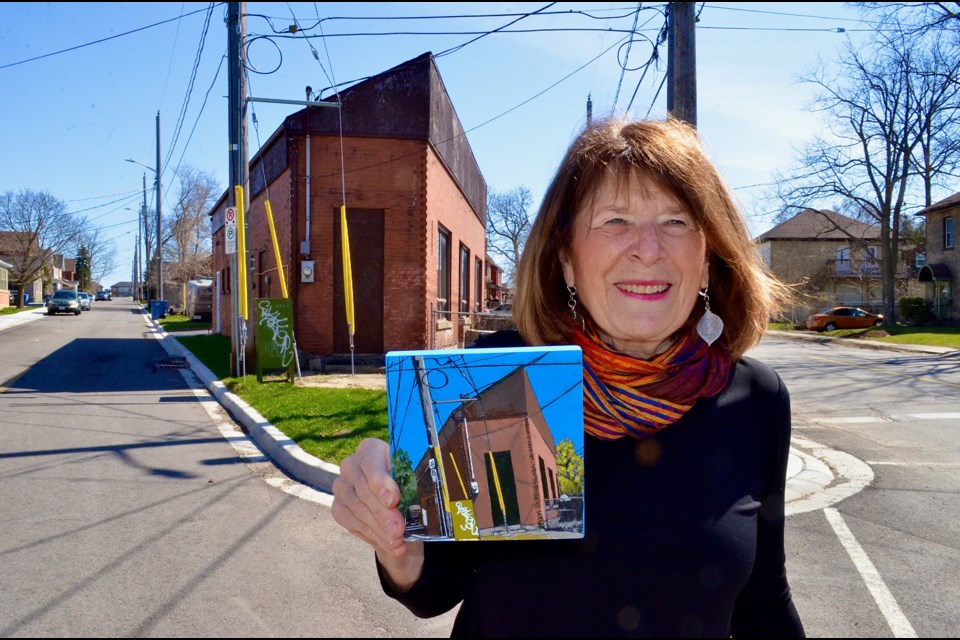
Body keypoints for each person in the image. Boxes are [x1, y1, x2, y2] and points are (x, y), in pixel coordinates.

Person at [332, 116, 804, 637]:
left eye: (676, 221)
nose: (647, 248)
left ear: (709, 257)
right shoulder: (500, 376)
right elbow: (437, 587)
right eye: (615, 221)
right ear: (567, 261)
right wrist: (397, 538)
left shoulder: (756, 400)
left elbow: (765, 599)